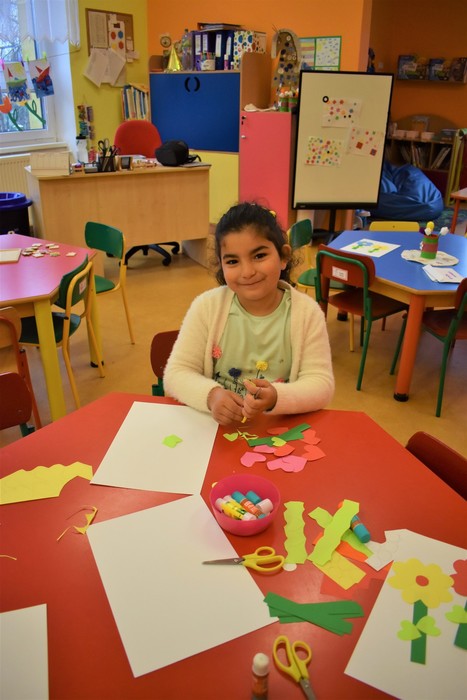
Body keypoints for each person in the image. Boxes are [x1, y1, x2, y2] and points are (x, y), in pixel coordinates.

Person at [164, 202, 334, 425]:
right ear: (222, 266)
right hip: (217, 427)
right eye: (233, 261)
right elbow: (176, 373)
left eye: (259, 256)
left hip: (277, 429)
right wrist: (212, 396)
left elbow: (321, 384)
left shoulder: (307, 313)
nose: (247, 272)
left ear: (283, 256)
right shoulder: (206, 307)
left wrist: (277, 397)